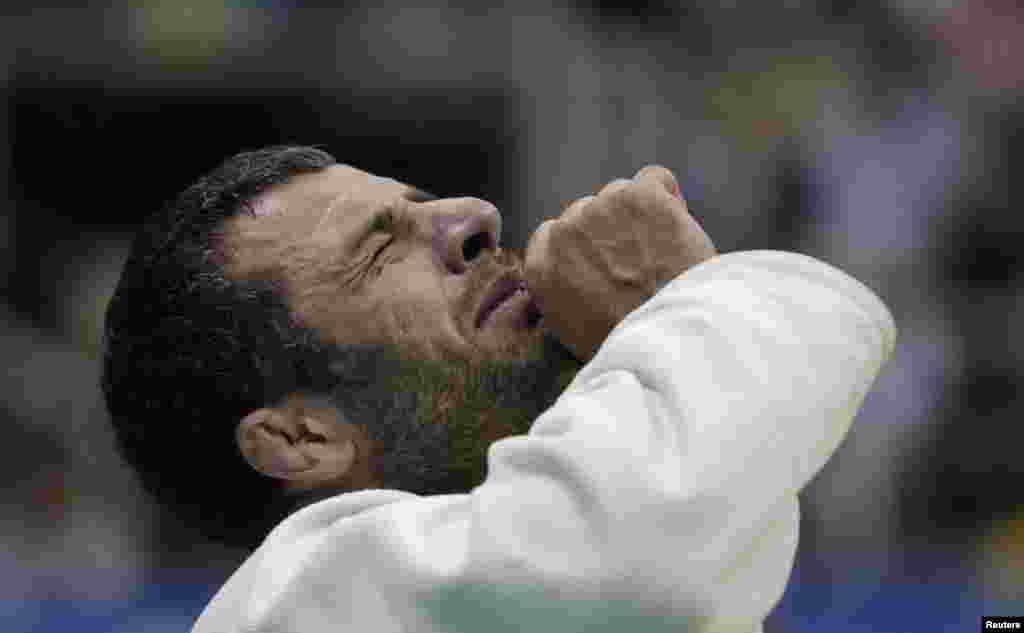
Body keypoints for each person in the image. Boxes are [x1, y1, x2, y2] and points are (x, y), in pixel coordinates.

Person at [101, 145, 896, 632]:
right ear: (301, 437)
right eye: (380, 252)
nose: (475, 214)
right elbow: (627, 548)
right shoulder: (289, 610)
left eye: (422, 204)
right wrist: (689, 299)